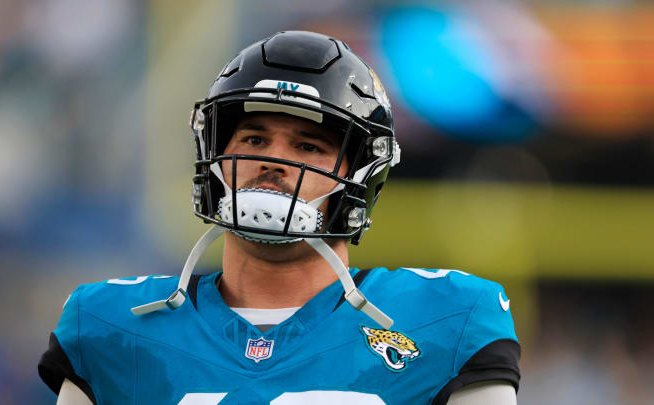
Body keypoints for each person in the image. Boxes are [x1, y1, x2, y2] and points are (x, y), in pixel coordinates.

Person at [38, 31, 520, 405]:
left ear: (361, 176)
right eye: (253, 139)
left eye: (308, 146)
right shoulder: (110, 325)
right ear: (215, 152)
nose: (274, 160)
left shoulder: (450, 317)